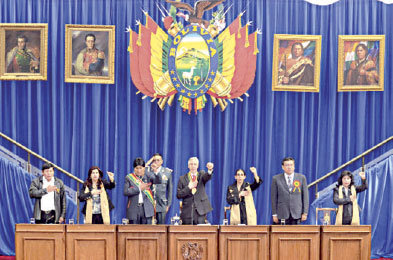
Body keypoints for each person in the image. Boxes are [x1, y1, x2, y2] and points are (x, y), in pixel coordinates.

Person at [271, 157, 309, 225]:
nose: (289, 167)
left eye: (291, 165)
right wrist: (274, 214)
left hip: (297, 213)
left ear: (294, 166)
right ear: (283, 167)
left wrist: (305, 213)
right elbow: (273, 198)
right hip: (282, 213)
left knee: (295, 235)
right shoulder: (276, 179)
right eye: (287, 165)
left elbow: (305, 196)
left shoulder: (301, 178)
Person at [124, 157, 162, 224]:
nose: (139, 170)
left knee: (147, 233)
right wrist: (139, 189)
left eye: (140, 168)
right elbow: (126, 192)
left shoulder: (148, 176)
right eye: (137, 168)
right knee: (133, 233)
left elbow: (159, 181)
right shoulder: (129, 177)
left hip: (147, 209)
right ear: (134, 169)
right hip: (134, 209)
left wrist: (156, 171)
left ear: (144, 168)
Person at [176, 157, 214, 225]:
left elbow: (207, 176)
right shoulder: (182, 178)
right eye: (191, 164)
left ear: (197, 166)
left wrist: (209, 170)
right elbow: (179, 195)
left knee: (200, 233)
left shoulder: (201, 175)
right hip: (187, 211)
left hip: (200, 211)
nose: (193, 166)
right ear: (188, 166)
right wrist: (189, 187)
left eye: (195, 164)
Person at [146, 153, 173, 224]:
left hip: (161, 204)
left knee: (161, 229)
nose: (156, 162)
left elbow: (170, 190)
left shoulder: (167, 172)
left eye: (158, 160)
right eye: (154, 160)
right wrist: (148, 163)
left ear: (162, 161)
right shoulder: (148, 171)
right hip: (149, 203)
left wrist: (168, 205)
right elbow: (141, 169)